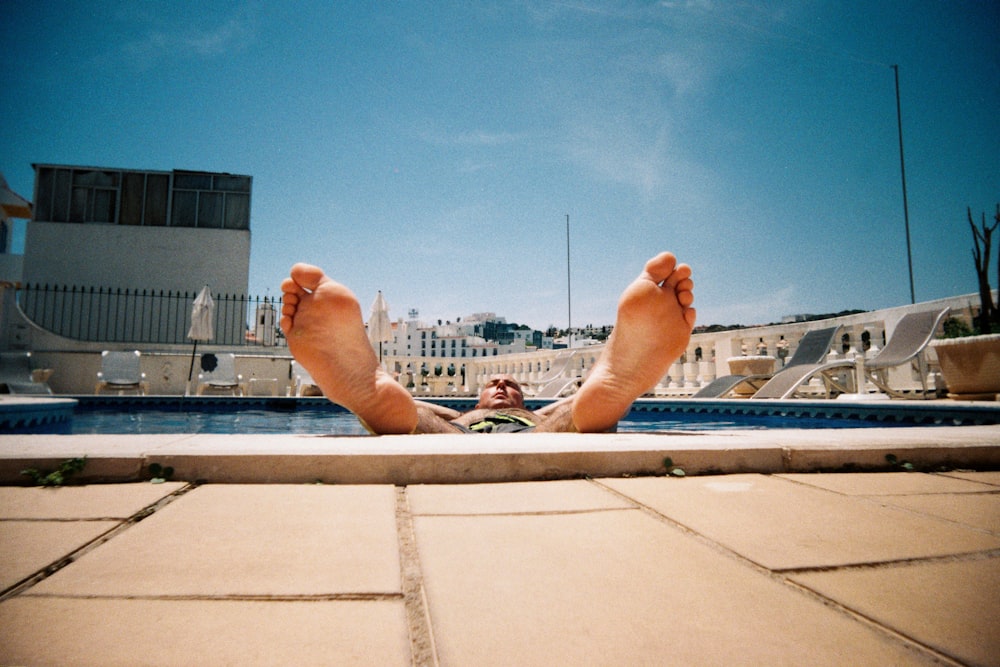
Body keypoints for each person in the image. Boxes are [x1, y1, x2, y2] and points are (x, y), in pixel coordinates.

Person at [279, 251, 695, 434]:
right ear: (475, 399)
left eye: (509, 385)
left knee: (577, 411)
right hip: (459, 435)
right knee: (410, 415)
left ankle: (616, 382)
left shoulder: (540, 414)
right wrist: (385, 394)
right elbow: (420, 409)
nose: (501, 385)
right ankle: (371, 393)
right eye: (495, 384)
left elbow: (565, 408)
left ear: (523, 398)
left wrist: (585, 398)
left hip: (540, 432)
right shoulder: (457, 416)